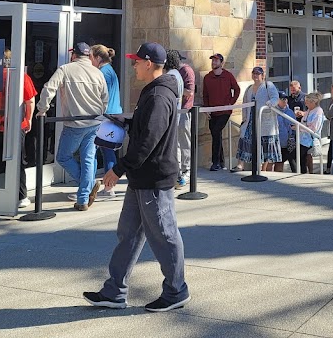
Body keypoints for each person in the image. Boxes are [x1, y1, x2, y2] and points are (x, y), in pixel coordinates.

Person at [84, 42, 189, 312]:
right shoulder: (153, 92)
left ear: (149, 64)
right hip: (141, 177)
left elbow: (148, 142)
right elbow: (146, 129)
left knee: (164, 235)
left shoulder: (158, 95)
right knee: (128, 234)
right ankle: (114, 292)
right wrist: (126, 122)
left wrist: (118, 169)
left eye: (136, 61)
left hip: (154, 179)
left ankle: (176, 291)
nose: (133, 65)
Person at [37, 42, 109, 211]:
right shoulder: (97, 73)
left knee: (63, 157)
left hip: (75, 123)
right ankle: (83, 198)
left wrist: (42, 109)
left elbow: (49, 89)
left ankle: (88, 187)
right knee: (88, 158)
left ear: (74, 55)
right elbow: (105, 98)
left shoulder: (65, 69)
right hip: (95, 122)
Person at [4, 49, 37, 209]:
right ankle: (21, 195)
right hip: (16, 124)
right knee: (17, 161)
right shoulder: (21, 77)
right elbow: (30, 100)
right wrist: (29, 119)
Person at [232, 67, 280, 172]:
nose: (255, 75)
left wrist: (270, 104)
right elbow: (245, 104)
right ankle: (240, 165)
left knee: (263, 144)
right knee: (244, 140)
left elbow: (275, 98)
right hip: (250, 120)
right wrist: (244, 117)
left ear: (262, 75)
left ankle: (262, 168)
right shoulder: (249, 88)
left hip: (265, 120)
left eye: (258, 73)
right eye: (253, 73)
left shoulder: (268, 85)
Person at [91, 44, 122, 201]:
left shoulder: (103, 72)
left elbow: (101, 96)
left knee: (102, 151)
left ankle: (106, 188)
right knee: (108, 151)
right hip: (114, 115)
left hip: (106, 116)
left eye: (91, 57)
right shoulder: (110, 71)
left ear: (97, 58)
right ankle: (108, 187)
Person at [201, 53, 239, 171]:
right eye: (212, 61)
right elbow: (205, 95)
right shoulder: (207, 77)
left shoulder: (228, 75)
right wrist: (207, 109)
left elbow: (236, 89)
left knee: (216, 131)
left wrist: (230, 103)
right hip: (212, 111)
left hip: (225, 111)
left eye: (216, 61)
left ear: (221, 63)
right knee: (216, 135)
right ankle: (221, 162)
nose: (213, 63)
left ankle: (215, 162)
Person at [166, 50, 195, 188]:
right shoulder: (174, 72)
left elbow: (189, 92)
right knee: (175, 143)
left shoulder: (186, 71)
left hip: (184, 110)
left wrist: (175, 89)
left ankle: (186, 170)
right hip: (175, 111)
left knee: (184, 142)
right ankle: (177, 172)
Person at [299, 92, 325, 174]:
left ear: (313, 102)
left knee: (301, 157)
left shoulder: (318, 112)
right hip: (303, 139)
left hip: (310, 140)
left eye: (307, 102)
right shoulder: (309, 110)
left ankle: (306, 173)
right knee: (303, 158)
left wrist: (300, 128)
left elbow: (314, 128)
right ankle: (304, 173)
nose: (305, 104)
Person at [273, 92, 298, 172]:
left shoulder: (290, 112)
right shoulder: (273, 111)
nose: (285, 101)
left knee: (286, 161)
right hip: (277, 142)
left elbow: (294, 125)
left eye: (286, 99)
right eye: (282, 99)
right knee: (275, 162)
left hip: (288, 142)